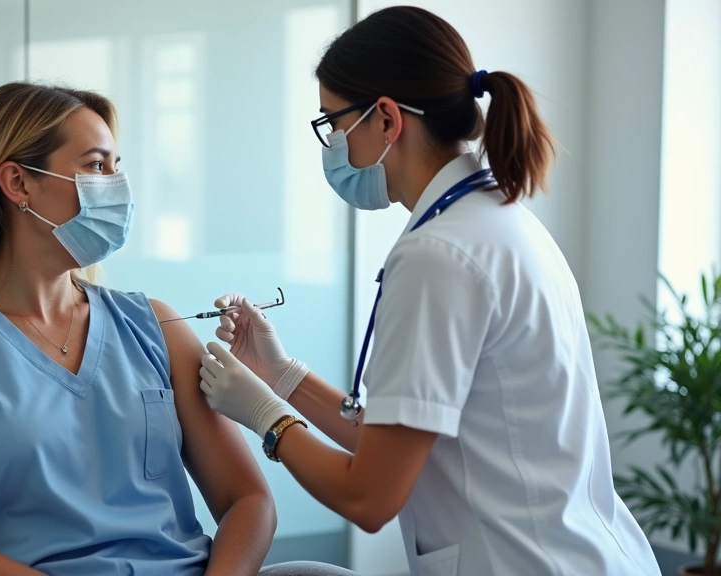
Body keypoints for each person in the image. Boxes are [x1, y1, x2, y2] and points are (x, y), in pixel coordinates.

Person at [197, 6, 661, 576]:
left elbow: (369, 497)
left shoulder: (438, 256)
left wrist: (267, 417)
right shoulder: (496, 219)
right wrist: (283, 375)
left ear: (387, 119)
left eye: (333, 124)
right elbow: (405, 437)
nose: (332, 146)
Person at [0, 82, 354, 576]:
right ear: (18, 183)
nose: (116, 187)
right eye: (96, 166)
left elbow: (247, 499)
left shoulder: (154, 327)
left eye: (117, 168)